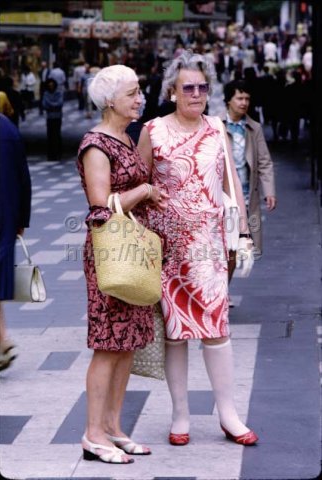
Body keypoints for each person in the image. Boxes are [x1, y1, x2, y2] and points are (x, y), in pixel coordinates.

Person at [138, 50, 258, 446]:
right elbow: (140, 184)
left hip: (208, 250)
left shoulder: (217, 129)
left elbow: (231, 186)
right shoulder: (152, 131)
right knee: (175, 333)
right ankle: (180, 415)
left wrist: (243, 233)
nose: (196, 94)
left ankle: (229, 414)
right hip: (167, 250)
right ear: (172, 91)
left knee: (216, 329)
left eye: (202, 87)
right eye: (187, 87)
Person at [77, 65, 168, 464]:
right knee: (107, 344)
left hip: (134, 251)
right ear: (109, 100)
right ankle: (93, 433)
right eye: (132, 93)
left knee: (127, 343)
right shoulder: (96, 144)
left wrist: (147, 195)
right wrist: (144, 190)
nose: (139, 99)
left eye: (139, 92)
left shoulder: (125, 138)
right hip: (110, 252)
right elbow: (100, 204)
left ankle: (113, 427)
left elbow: (124, 192)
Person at [221, 79, 277, 284]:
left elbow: (264, 161)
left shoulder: (254, 128)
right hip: (222, 197)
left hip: (246, 197)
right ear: (228, 100)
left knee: (236, 246)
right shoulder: (216, 125)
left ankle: (223, 291)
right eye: (239, 98)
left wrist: (269, 191)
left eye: (247, 99)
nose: (244, 103)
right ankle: (220, 293)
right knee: (222, 248)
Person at [0, 113, 31, 372]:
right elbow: (23, 174)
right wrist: (21, 218)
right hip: (5, 215)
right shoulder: (7, 127)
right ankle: (2, 339)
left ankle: (2, 341)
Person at [42, 78, 63, 161]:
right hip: (50, 117)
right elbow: (44, 104)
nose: (51, 87)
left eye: (52, 85)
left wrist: (51, 105)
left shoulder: (59, 93)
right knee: (50, 135)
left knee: (57, 135)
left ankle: (58, 153)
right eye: (49, 85)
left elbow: (60, 103)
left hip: (57, 117)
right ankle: (51, 154)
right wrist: (55, 105)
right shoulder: (46, 94)